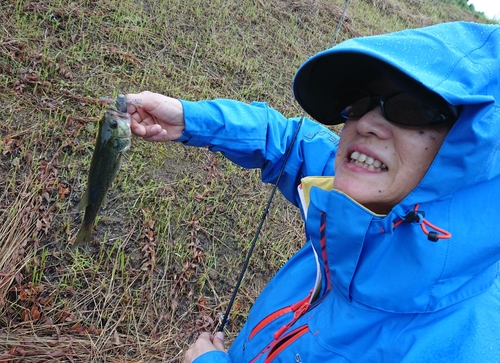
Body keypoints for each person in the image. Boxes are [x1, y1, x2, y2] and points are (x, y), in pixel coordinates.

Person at [126, 21, 500, 362]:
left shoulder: (465, 346)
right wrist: (189, 118)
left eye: (410, 106)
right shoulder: (372, 200)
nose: (366, 121)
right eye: (358, 101)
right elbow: (289, 140)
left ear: (471, 146)